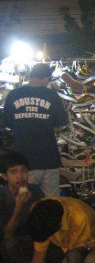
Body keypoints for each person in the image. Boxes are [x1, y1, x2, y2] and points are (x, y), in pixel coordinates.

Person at [3, 63, 68, 196]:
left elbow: (9, 124)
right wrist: (44, 126)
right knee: (50, 205)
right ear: (47, 78)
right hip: (49, 158)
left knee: (24, 202)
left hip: (23, 161)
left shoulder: (13, 95)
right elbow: (61, 125)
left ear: (31, 75)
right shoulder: (52, 96)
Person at [0, 151, 44, 263]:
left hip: (33, 239)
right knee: (10, 245)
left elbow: (44, 225)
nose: (20, 176)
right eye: (13, 172)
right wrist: (18, 208)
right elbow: (7, 235)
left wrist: (35, 207)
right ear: (4, 176)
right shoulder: (2, 196)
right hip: (9, 242)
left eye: (23, 171)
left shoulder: (35, 191)